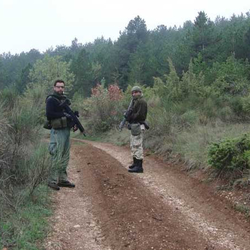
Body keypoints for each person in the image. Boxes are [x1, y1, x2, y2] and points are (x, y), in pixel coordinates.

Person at [46, 79, 76, 190]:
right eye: (58, 87)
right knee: (56, 154)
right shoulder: (51, 100)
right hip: (57, 131)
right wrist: (63, 114)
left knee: (65, 155)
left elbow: (69, 115)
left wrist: (73, 123)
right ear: (54, 87)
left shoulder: (65, 100)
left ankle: (62, 179)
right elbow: (49, 114)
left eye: (62, 87)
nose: (60, 89)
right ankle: (52, 180)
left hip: (66, 130)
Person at [127, 86, 148, 173]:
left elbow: (140, 115)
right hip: (134, 126)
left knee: (137, 146)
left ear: (140, 92)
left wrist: (130, 116)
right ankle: (135, 163)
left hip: (138, 125)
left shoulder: (141, 102)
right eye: (133, 92)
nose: (134, 94)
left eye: (136, 92)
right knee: (133, 145)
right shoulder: (135, 102)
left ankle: (139, 167)